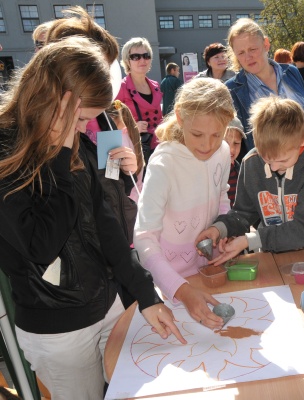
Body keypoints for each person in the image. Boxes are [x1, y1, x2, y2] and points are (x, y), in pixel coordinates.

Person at [0, 36, 184, 399]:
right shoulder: (8, 150)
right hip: (58, 330)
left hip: (109, 306)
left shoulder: (77, 143)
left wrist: (146, 295)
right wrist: (58, 159)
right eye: (81, 119)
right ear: (55, 101)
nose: (85, 129)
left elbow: (108, 228)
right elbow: (40, 245)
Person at [134, 78, 233, 329]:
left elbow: (222, 199)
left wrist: (223, 235)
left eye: (217, 135)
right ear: (180, 117)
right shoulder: (163, 164)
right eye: (197, 134)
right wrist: (181, 290)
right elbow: (144, 237)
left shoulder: (222, 151)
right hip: (171, 286)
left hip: (208, 272)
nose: (207, 145)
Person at [45, 6, 144, 247]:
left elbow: (112, 183)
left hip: (113, 242)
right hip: (78, 251)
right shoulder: (44, 127)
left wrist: (127, 170)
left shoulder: (106, 118)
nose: (104, 79)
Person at [196, 97, 304, 266]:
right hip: (272, 257)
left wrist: (251, 240)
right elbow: (243, 213)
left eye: (283, 160)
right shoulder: (252, 162)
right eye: (267, 160)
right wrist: (219, 229)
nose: (274, 167)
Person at [225, 18, 304, 159]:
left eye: (253, 49)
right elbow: (237, 142)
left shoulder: (291, 72)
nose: (248, 57)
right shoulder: (231, 90)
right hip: (268, 173)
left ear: (266, 44)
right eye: (241, 53)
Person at [116, 37, 163, 161]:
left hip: (159, 146)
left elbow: (158, 118)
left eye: (146, 56)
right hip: (135, 149)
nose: (142, 60)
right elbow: (110, 121)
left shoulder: (155, 85)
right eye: (136, 57)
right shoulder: (120, 87)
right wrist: (133, 126)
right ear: (127, 61)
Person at [225, 117, 246, 207]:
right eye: (226, 143)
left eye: (236, 143)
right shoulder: (210, 170)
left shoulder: (241, 170)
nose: (232, 149)